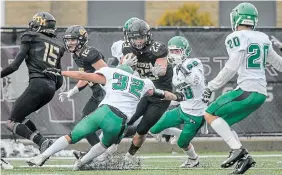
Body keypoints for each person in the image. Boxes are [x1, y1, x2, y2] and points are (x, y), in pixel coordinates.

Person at [26, 65, 184, 170]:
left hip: (102, 112)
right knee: (103, 145)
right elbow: (162, 94)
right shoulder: (144, 83)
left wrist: (61, 72)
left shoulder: (111, 72)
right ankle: (81, 163)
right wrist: (177, 97)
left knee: (71, 136)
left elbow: (82, 75)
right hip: (119, 121)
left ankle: (42, 156)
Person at [202, 3, 282, 174]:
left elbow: (232, 66)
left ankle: (239, 151)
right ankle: (243, 159)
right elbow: (280, 64)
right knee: (223, 123)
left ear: (237, 18)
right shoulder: (262, 37)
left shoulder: (236, 36)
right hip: (259, 93)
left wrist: (211, 86)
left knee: (209, 113)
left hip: (247, 90)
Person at [1, 12, 65, 152]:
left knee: (11, 122)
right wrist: (47, 88)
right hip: (50, 89)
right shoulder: (58, 44)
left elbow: (14, 66)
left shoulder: (30, 37)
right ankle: (43, 144)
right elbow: (59, 79)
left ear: (39, 25)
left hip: (38, 85)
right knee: (20, 116)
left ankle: (43, 142)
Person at [121, 19, 174, 162]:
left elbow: (162, 70)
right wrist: (125, 66)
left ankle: (129, 157)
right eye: (135, 38)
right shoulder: (127, 49)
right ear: (129, 37)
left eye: (141, 37)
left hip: (161, 95)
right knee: (124, 120)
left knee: (142, 128)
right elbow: (121, 71)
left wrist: (157, 70)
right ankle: (105, 151)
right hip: (145, 91)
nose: (138, 41)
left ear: (148, 36)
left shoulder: (157, 49)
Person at [150, 36, 206, 168]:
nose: (174, 54)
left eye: (177, 51)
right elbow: (181, 94)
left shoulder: (194, 62)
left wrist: (182, 66)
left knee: (182, 144)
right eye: (172, 51)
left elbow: (196, 81)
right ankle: (177, 134)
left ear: (185, 51)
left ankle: (194, 160)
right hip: (182, 108)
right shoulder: (175, 69)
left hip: (196, 113)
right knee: (153, 128)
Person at [58, 25, 107, 158]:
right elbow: (86, 75)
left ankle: (146, 128)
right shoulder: (77, 55)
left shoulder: (89, 53)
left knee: (100, 125)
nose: (69, 43)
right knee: (85, 124)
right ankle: (101, 155)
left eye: (73, 40)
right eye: (67, 40)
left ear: (82, 39)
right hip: (97, 94)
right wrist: (72, 91)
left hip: (106, 94)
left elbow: (107, 75)